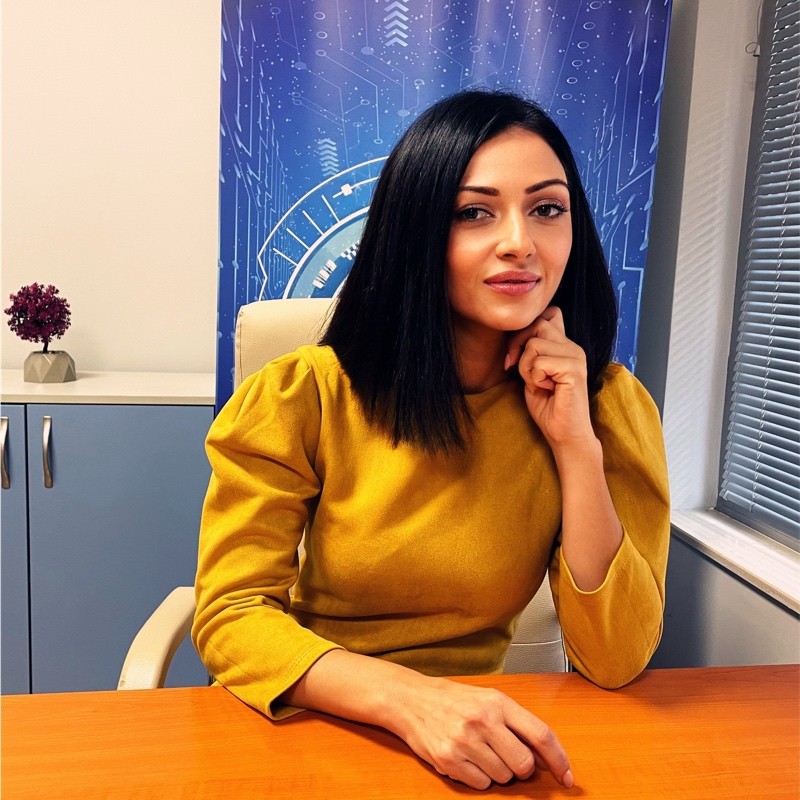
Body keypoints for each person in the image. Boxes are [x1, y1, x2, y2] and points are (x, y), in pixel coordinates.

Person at [192, 88, 670, 791]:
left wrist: (575, 446)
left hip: (474, 746)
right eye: (474, 212)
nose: (520, 241)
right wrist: (411, 701)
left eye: (547, 208)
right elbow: (231, 615)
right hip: (312, 721)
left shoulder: (604, 406)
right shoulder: (305, 395)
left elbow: (617, 658)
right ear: (416, 230)